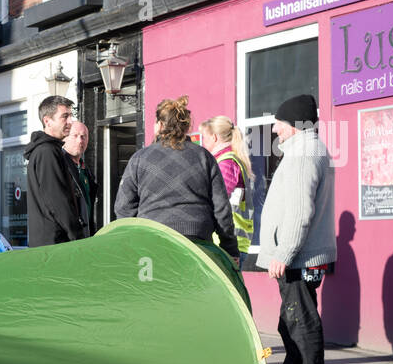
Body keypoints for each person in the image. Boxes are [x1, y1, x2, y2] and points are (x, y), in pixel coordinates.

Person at [255, 94, 337, 364]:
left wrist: (284, 253)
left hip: (297, 258)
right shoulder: (304, 151)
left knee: (300, 321)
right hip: (296, 256)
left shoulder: (304, 154)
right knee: (291, 320)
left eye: (278, 123)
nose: (274, 130)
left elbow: (301, 211)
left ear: (294, 125)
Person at [113, 96, 239, 259]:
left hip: (152, 242)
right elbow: (221, 209)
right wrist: (230, 249)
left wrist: (128, 245)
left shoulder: (139, 159)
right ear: (186, 127)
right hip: (197, 244)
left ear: (159, 125)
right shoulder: (204, 157)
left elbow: (123, 208)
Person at [25, 95, 87, 246]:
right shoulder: (47, 152)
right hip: (55, 245)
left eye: (71, 116)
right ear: (47, 121)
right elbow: (57, 200)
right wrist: (78, 237)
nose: (70, 122)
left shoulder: (50, 150)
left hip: (51, 242)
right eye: (65, 116)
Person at [200, 115, 255, 248]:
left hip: (228, 241)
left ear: (214, 138)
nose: (202, 143)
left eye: (204, 138)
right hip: (232, 239)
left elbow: (218, 200)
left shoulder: (226, 163)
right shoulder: (228, 159)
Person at [64, 119, 99, 236]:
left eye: (83, 136)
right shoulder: (59, 166)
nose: (80, 141)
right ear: (65, 138)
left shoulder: (86, 171)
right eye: (75, 136)